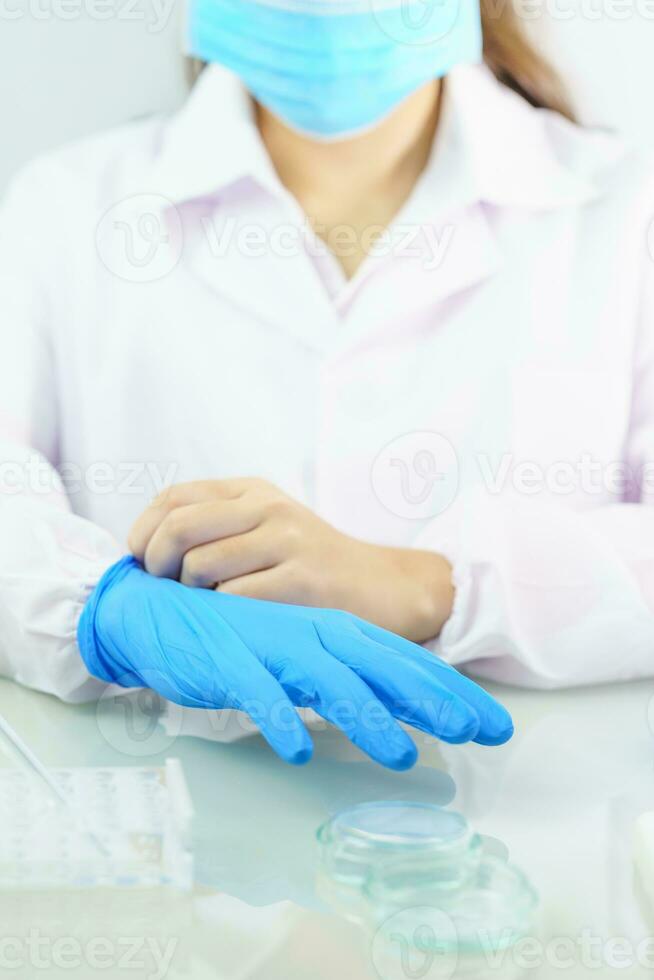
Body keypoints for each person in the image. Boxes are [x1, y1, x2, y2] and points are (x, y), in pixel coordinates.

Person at [1, 0, 653, 768]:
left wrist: (428, 587)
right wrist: (100, 610)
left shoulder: (625, 210)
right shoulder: (67, 210)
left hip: (540, 847)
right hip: (182, 840)